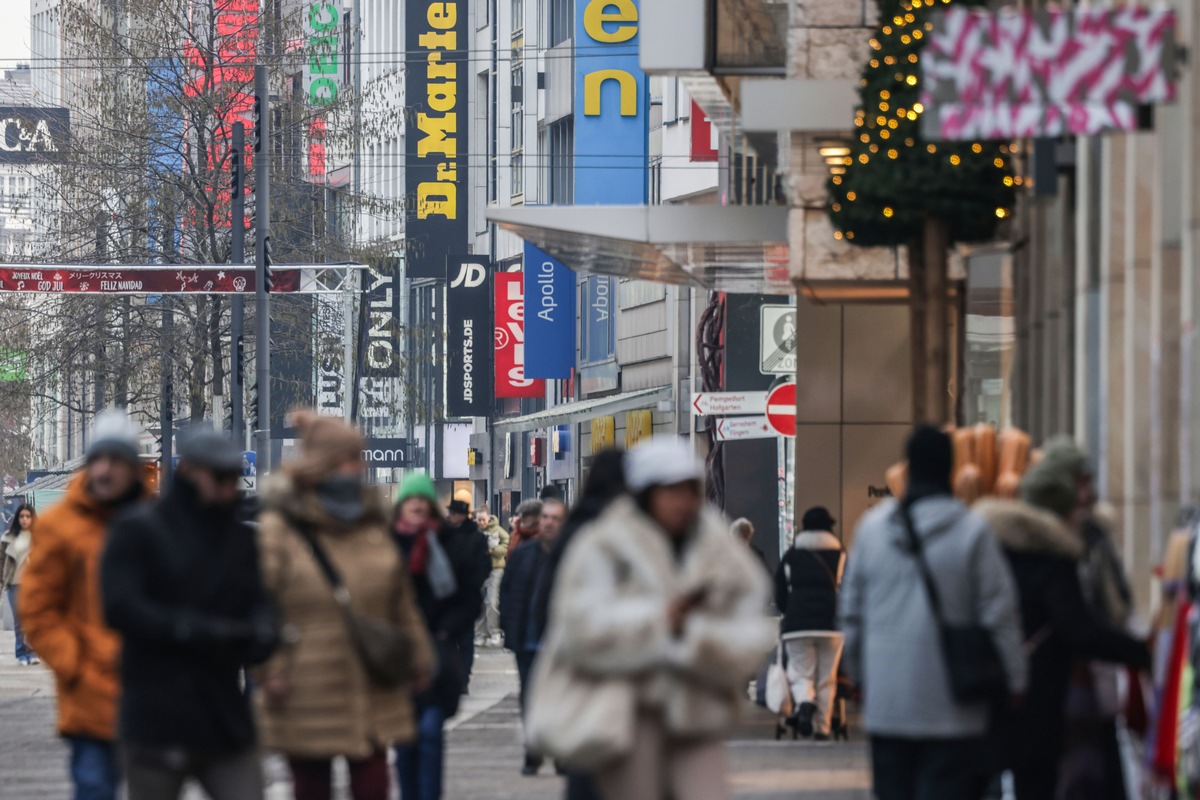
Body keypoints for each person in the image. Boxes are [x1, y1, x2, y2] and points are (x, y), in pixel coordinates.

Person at [545, 437, 774, 800]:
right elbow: (580, 626)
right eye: (671, 491)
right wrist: (659, 622)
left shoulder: (716, 546)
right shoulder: (605, 544)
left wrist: (696, 637)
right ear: (646, 493)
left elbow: (749, 625)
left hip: (698, 714)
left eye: (690, 490)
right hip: (628, 715)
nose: (682, 502)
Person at [839, 425, 1026, 800]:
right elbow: (1001, 614)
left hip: (888, 706)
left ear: (908, 468)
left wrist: (858, 675)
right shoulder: (973, 531)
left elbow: (851, 614)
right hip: (955, 709)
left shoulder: (873, 531)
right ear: (950, 469)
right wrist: (1016, 680)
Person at [255, 411, 433, 800]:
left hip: (370, 675)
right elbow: (260, 605)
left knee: (373, 780)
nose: (360, 467)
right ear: (326, 464)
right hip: (306, 681)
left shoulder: (371, 524)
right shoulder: (281, 528)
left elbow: (400, 600)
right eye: (351, 458)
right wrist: (271, 668)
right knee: (311, 782)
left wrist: (419, 656)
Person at [101, 424, 280, 800]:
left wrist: (263, 633)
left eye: (234, 477)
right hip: (155, 718)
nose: (229, 487)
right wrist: (189, 629)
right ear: (190, 472)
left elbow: (262, 600)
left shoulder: (240, 538)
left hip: (222, 715)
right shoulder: (139, 529)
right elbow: (120, 606)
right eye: (219, 478)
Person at [973, 466, 1150, 800]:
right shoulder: (1053, 559)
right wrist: (1140, 652)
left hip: (994, 690)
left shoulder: (996, 546)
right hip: (1041, 698)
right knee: (1040, 782)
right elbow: (1078, 630)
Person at [21, 409, 147, 800]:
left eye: (116, 461)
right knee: (94, 787)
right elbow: (37, 610)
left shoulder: (153, 522)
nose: (106, 471)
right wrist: (73, 662)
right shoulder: (59, 525)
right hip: (88, 691)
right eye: (98, 460)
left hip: (150, 690)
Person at [534, 449, 626, 800]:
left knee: (585, 753)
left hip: (579, 657)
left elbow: (549, 596)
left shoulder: (574, 530)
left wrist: (549, 639)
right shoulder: (634, 531)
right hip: (626, 657)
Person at [393, 473, 491, 800]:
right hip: (399, 656)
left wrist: (446, 628)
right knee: (404, 742)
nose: (417, 505)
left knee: (430, 733)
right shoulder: (387, 545)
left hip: (437, 648)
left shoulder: (450, 544)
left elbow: (468, 596)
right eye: (411, 500)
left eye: (422, 499)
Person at [499, 496, 566, 776]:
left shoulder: (571, 554)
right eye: (545, 517)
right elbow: (508, 592)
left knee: (560, 699)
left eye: (555, 518)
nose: (549, 523)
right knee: (529, 698)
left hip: (561, 645)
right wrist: (510, 630)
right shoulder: (525, 554)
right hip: (527, 641)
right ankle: (533, 751)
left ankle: (563, 753)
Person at [774, 505, 845, 740]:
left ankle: (804, 703)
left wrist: (790, 611)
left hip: (798, 625)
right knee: (827, 677)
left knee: (802, 673)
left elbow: (779, 590)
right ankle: (822, 728)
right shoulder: (840, 554)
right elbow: (849, 590)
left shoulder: (791, 556)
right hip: (832, 625)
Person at [444, 498, 489, 689]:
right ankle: (453, 676)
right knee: (448, 640)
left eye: (454, 513)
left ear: (462, 515)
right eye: (450, 513)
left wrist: (474, 583)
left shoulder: (476, 538)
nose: (451, 516)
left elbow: (484, 566)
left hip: (467, 596)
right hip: (446, 597)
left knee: (465, 639)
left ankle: (463, 677)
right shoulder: (443, 535)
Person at [0, 502, 37, 664]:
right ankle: (21, 654)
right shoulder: (8, 537)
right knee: (19, 620)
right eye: (21, 516)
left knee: (34, 619)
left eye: (28, 516)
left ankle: (33, 653)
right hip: (15, 583)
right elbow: (1, 561)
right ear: (17, 518)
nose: (24, 519)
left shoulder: (40, 536)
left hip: (34, 585)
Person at [474, 506, 509, 647]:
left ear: (489, 518)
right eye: (479, 520)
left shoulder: (498, 530)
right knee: (480, 602)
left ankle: (495, 631)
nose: (481, 523)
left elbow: (507, 544)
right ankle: (480, 633)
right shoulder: (475, 532)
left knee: (492, 601)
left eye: (483, 519)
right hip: (479, 571)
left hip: (495, 569)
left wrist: (493, 550)